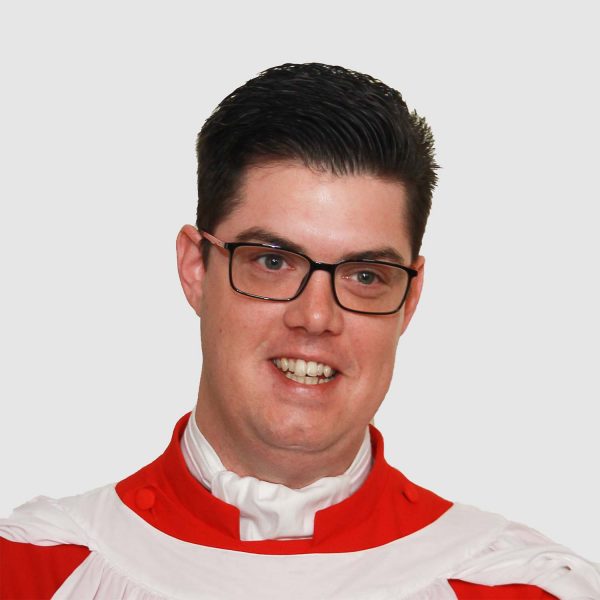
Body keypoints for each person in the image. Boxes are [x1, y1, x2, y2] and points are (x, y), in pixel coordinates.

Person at [1, 62, 598, 600]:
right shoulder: (29, 572)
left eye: (365, 275)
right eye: (272, 261)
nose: (315, 317)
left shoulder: (522, 587)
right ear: (195, 269)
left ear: (409, 299)